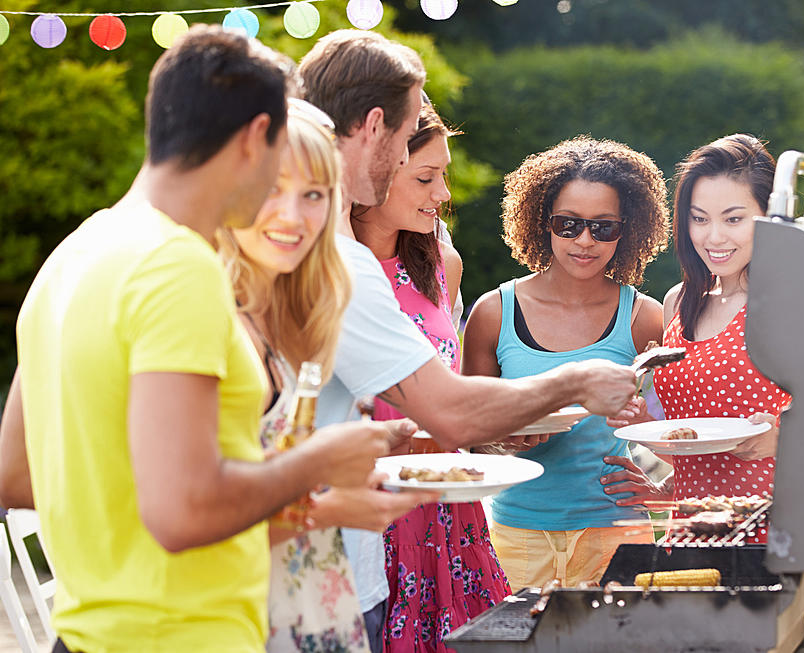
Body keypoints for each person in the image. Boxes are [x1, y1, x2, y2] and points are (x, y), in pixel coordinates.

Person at [0, 27, 389, 653]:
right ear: (252, 137)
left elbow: (16, 474)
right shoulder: (179, 266)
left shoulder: (76, 251)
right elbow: (185, 511)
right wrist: (321, 460)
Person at [299, 30, 638, 651]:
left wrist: (494, 430)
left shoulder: (420, 262)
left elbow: (438, 409)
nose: (442, 194)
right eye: (413, 160)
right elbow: (447, 405)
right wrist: (575, 380)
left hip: (416, 526)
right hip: (346, 540)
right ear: (376, 131)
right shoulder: (330, 262)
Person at [602, 134, 804, 653]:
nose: (713, 236)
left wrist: (784, 437)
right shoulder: (682, 300)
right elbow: (694, 433)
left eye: (734, 218)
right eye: (699, 218)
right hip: (697, 536)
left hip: (786, 545)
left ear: (770, 218)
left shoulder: (794, 302)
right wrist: (656, 464)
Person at [218, 99, 436, 652]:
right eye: (272, 188)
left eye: (314, 194)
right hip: (244, 616)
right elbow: (182, 516)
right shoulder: (201, 308)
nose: (294, 215)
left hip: (319, 598)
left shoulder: (286, 304)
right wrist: (328, 498)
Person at [460, 135, 671, 589]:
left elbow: (676, 428)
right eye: (568, 224)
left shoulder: (643, 317)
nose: (586, 241)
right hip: (515, 535)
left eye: (604, 227)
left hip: (616, 533)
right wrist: (505, 441)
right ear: (542, 222)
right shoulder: (494, 313)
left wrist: (656, 474)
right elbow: (468, 434)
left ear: (628, 229)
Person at [353, 104, 511, 652]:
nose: (442, 193)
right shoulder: (323, 272)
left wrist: (500, 432)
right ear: (372, 169)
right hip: (369, 515)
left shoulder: (444, 263)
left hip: (449, 511)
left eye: (442, 176)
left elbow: (449, 390)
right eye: (426, 177)